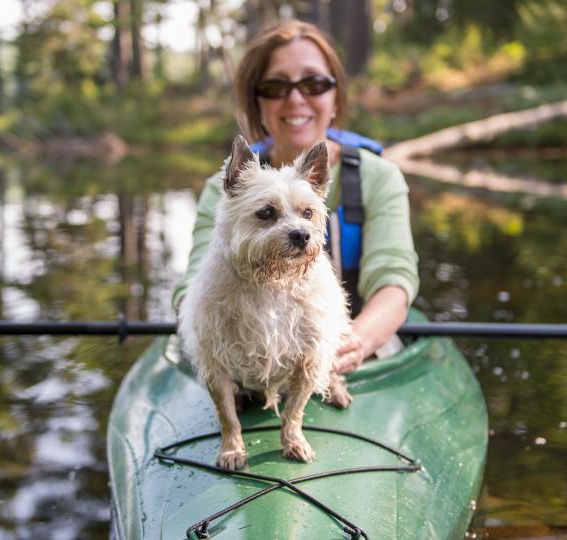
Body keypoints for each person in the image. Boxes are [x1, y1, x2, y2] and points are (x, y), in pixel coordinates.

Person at [172, 20, 419, 374]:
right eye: (276, 87)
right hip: (245, 348)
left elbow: (393, 282)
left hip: (344, 343)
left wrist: (351, 344)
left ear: (335, 99)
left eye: (314, 84)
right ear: (257, 104)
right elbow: (194, 282)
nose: (296, 99)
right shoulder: (226, 187)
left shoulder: (377, 177)